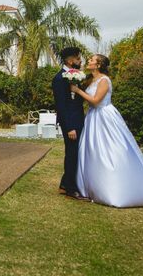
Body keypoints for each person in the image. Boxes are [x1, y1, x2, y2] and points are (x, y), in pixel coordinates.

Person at [71, 54, 143, 208]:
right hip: (93, 118)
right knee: (92, 152)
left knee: (111, 150)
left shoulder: (104, 80)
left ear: (99, 64)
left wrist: (77, 91)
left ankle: (116, 188)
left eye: (92, 60)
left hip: (104, 117)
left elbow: (95, 101)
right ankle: (93, 187)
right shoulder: (89, 79)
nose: (89, 61)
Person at [51, 47, 88, 200]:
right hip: (71, 124)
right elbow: (61, 105)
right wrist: (70, 127)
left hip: (78, 120)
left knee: (74, 153)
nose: (80, 61)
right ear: (70, 60)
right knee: (72, 155)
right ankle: (71, 190)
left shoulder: (76, 76)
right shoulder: (60, 78)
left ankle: (64, 184)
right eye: (78, 59)